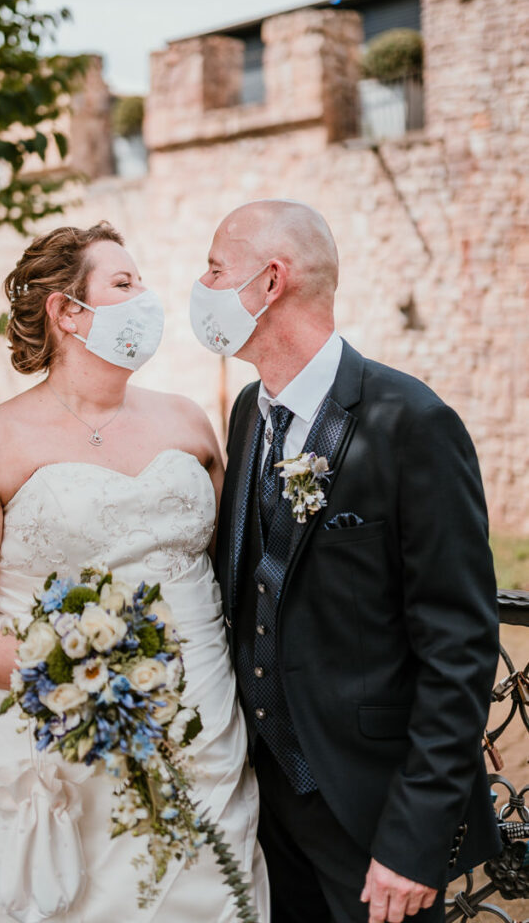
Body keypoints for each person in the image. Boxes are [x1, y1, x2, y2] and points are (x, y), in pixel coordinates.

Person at [0, 221, 269, 923]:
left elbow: (229, 568)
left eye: (143, 282)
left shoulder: (189, 423)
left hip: (201, 729)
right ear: (66, 312)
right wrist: (61, 674)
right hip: (55, 737)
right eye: (124, 284)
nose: (148, 299)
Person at [190, 200, 500, 923]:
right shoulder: (247, 411)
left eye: (214, 269)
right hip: (264, 807)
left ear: (271, 283)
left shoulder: (412, 422)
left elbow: (458, 647)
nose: (201, 287)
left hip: (370, 812)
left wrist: (414, 838)